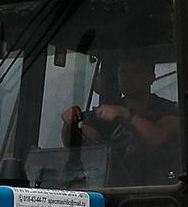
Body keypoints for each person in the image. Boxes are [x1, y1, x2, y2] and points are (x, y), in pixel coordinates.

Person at [61, 54, 180, 184]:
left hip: (161, 190)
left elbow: (158, 136)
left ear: (151, 77)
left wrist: (125, 115)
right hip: (114, 190)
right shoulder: (107, 111)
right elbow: (78, 141)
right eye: (123, 72)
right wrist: (70, 123)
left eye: (134, 71)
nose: (127, 77)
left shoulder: (168, 109)